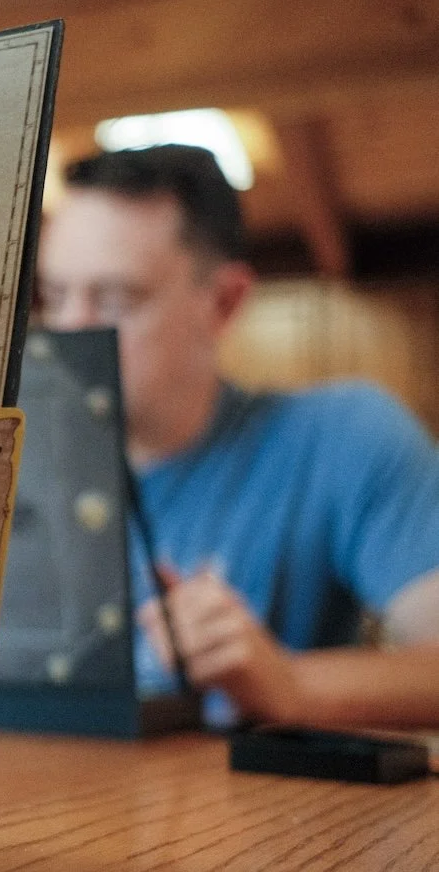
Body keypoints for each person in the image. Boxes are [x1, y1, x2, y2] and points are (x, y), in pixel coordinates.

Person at [35, 143, 439, 729]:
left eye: (115, 299)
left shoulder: (343, 436)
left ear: (224, 302)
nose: (70, 334)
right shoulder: (6, 467)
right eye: (54, 297)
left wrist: (288, 682)